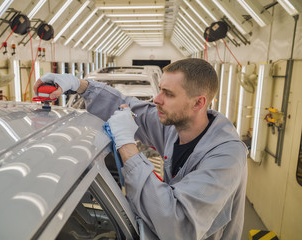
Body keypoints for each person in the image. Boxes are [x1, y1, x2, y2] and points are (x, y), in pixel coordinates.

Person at [33, 59, 248, 240]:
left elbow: (177, 224)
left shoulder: (226, 157)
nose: (156, 99)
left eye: (168, 94)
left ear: (198, 103)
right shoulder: (176, 127)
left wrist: (127, 144)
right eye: (160, 89)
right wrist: (80, 85)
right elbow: (127, 105)